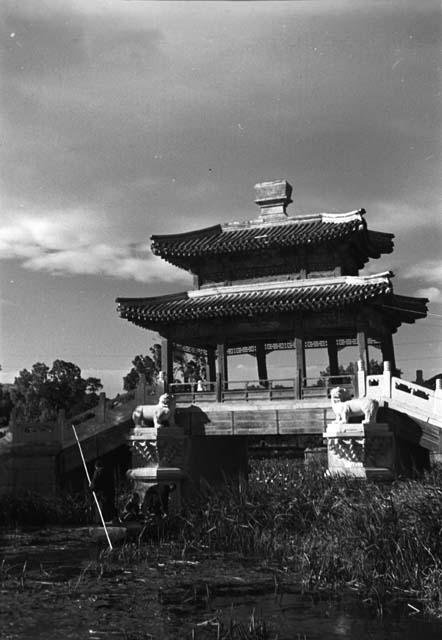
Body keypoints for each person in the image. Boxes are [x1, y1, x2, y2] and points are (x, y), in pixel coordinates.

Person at [89, 458, 117, 523]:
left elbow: (95, 483)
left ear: (96, 467)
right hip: (111, 493)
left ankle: (102, 521)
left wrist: (91, 486)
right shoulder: (109, 472)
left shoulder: (98, 471)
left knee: (102, 508)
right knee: (110, 506)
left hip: (103, 495)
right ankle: (112, 519)